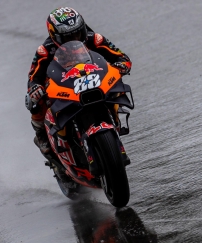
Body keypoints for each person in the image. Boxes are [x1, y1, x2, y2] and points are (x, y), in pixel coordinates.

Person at [26, 7, 132, 155]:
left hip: (93, 78)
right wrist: (35, 88)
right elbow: (33, 78)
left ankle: (114, 119)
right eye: (67, 37)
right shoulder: (44, 51)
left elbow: (121, 57)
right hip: (62, 84)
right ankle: (42, 136)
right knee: (34, 102)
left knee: (115, 85)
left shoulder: (94, 39)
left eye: (77, 33)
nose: (74, 39)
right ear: (54, 36)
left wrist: (121, 65)